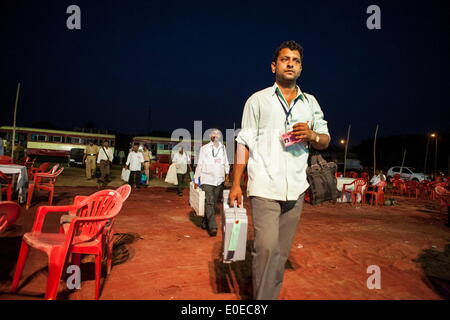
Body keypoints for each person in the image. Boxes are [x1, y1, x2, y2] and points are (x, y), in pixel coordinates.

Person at [229, 41, 330, 300]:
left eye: (295, 60)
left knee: (280, 254)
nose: (290, 64)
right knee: (264, 247)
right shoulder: (257, 100)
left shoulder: (310, 102)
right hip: (264, 184)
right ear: (274, 66)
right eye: (285, 59)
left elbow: (326, 139)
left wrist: (312, 135)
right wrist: (236, 184)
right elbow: (244, 142)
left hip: (296, 188)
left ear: (301, 68)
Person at [194, 129, 230, 236]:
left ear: (220, 136)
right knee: (209, 201)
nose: (215, 135)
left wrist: (227, 174)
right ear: (210, 136)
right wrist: (196, 179)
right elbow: (200, 164)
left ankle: (205, 222)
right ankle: (213, 227)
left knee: (212, 203)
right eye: (213, 133)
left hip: (219, 179)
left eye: (218, 133)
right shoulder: (204, 148)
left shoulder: (223, 148)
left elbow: (226, 162)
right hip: (207, 179)